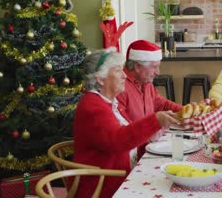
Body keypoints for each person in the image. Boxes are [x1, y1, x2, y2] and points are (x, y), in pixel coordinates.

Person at [73, 48, 180, 198]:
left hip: (123, 175)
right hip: (103, 185)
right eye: (118, 71)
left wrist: (152, 134)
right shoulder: (92, 106)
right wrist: (155, 121)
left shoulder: (110, 103)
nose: (124, 75)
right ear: (100, 78)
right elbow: (118, 140)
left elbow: (128, 139)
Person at [117, 40, 182, 122]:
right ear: (137, 66)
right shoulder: (120, 86)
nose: (158, 72)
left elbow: (162, 104)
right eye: (154, 67)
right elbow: (123, 127)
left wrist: (185, 110)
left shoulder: (146, 82)